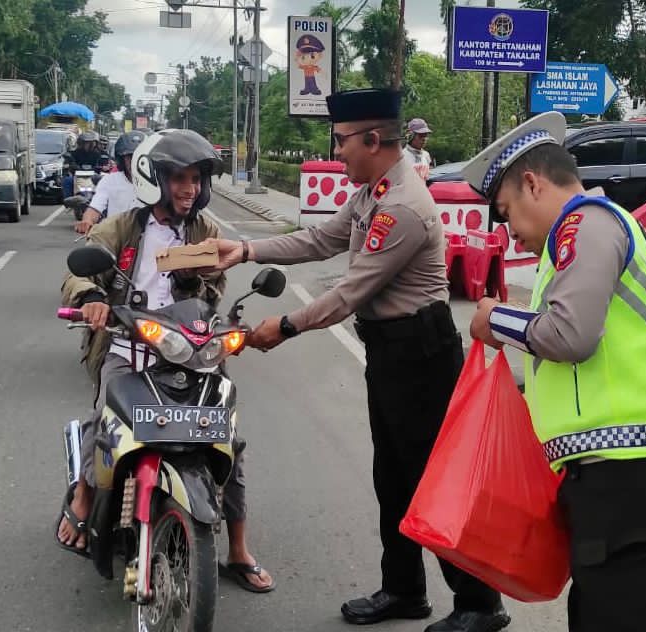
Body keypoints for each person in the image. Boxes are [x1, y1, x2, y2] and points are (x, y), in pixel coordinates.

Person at [204, 89, 510, 632]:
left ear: (372, 139)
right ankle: (405, 590)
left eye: (341, 140)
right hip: (391, 351)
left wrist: (286, 326)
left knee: (431, 479)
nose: (336, 151)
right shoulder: (374, 191)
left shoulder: (402, 206)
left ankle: (480, 604)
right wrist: (246, 250)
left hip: (421, 355)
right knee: (391, 478)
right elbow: (322, 239)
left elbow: (349, 292)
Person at [463, 112, 646, 632]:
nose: (510, 232)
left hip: (625, 471)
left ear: (532, 183)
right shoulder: (587, 233)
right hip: (621, 469)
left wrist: (494, 319)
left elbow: (570, 335)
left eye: (507, 212)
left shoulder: (585, 224)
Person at [58, 128, 275, 593]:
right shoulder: (123, 227)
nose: (189, 188)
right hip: (129, 347)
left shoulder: (205, 231)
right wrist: (93, 297)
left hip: (189, 354)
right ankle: (83, 496)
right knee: (106, 418)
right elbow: (76, 273)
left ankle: (238, 549)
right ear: (153, 178)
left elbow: (215, 294)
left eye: (196, 179)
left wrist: (198, 278)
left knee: (228, 442)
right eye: (179, 178)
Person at [74, 130, 145, 235]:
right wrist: (87, 221)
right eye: (130, 157)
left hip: (147, 237)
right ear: (122, 159)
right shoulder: (109, 180)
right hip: (114, 237)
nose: (134, 162)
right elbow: (95, 208)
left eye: (139, 157)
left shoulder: (157, 182)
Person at [62, 131, 108, 198]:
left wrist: (104, 167)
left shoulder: (100, 153)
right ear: (81, 143)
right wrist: (69, 165)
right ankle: (69, 200)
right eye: (86, 142)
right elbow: (69, 160)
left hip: (94, 176)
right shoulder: (74, 153)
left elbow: (106, 163)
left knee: (105, 180)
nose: (88, 145)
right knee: (67, 180)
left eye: (91, 142)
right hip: (78, 176)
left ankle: (104, 199)